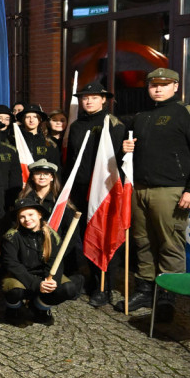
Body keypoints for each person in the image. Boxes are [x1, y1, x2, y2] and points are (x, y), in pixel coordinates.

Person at [116, 67, 190, 319]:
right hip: (140, 188)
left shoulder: (184, 114)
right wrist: (124, 148)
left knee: (170, 243)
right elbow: (132, 152)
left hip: (170, 189)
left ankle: (167, 297)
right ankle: (146, 288)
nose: (157, 89)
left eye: (164, 84)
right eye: (152, 85)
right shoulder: (142, 116)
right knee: (143, 241)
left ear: (176, 87)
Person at [64, 82, 126, 307]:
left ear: (103, 100)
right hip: (79, 190)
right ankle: (93, 280)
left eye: (93, 97)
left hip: (104, 191)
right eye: (84, 97)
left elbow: (119, 161)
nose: (88, 101)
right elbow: (71, 159)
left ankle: (105, 286)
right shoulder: (77, 125)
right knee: (86, 236)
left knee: (104, 236)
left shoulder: (114, 124)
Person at [1, 197, 84, 324]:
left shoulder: (51, 235)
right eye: (22, 216)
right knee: (14, 291)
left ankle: (40, 307)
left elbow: (55, 261)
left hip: (45, 275)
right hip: (21, 276)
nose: (27, 219)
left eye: (30, 214)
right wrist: (36, 284)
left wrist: (51, 282)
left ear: (39, 214)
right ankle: (14, 309)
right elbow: (12, 264)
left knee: (69, 289)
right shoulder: (11, 236)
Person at [17, 103, 61, 168]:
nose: (31, 120)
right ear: (23, 120)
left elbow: (55, 167)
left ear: (40, 120)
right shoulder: (15, 140)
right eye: (28, 117)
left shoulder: (49, 144)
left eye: (35, 117)